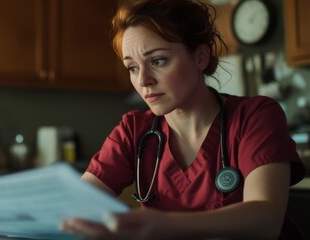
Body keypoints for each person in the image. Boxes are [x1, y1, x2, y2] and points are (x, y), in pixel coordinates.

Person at [60, 0, 306, 239]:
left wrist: (166, 225)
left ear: (200, 58)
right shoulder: (134, 130)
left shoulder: (255, 116)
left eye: (157, 61)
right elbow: (75, 205)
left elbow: (266, 221)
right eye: (132, 67)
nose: (143, 80)